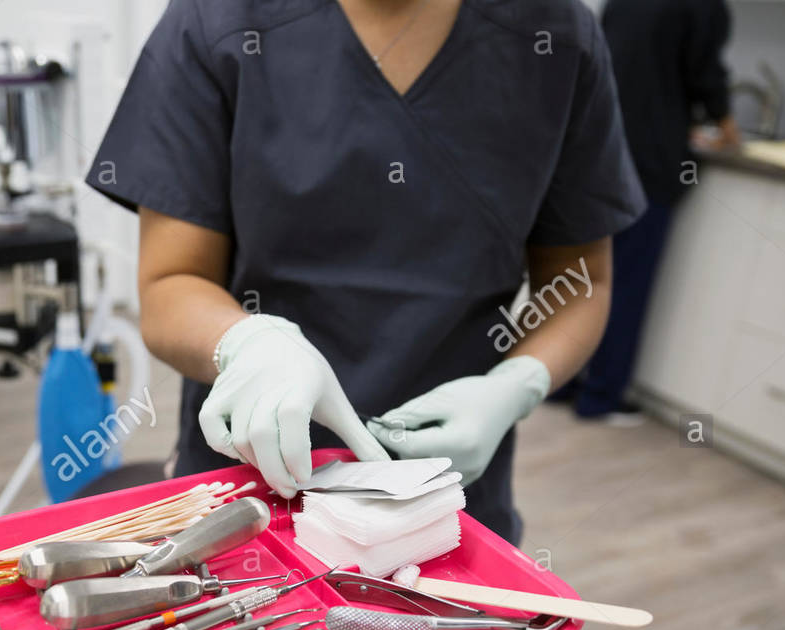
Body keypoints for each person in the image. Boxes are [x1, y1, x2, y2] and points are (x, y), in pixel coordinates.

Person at [88, 0, 645, 544]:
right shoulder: (217, 20)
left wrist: (517, 384)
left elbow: (580, 282)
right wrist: (247, 344)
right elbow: (170, 284)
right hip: (248, 506)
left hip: (445, 504)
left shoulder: (554, 34)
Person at [564, 0, 738, 422]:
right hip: (651, 162)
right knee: (625, 283)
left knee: (579, 278)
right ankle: (601, 397)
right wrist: (726, 125)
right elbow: (705, 76)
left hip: (596, 152)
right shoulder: (704, 8)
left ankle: (561, 381)